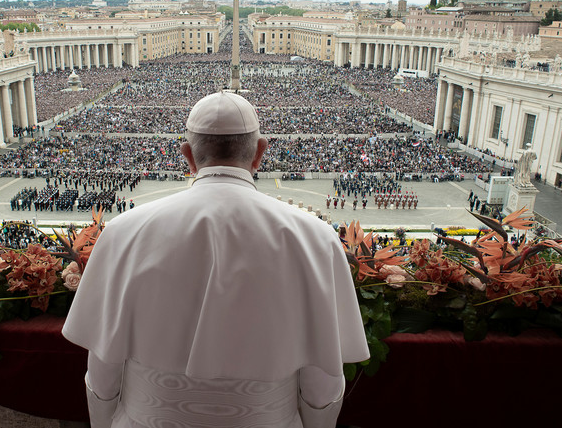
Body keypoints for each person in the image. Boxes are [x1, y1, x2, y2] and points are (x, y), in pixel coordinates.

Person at [63, 91, 369, 428]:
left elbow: (103, 370)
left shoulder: (123, 231)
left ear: (187, 155)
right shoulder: (316, 238)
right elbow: (322, 380)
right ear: (260, 152)